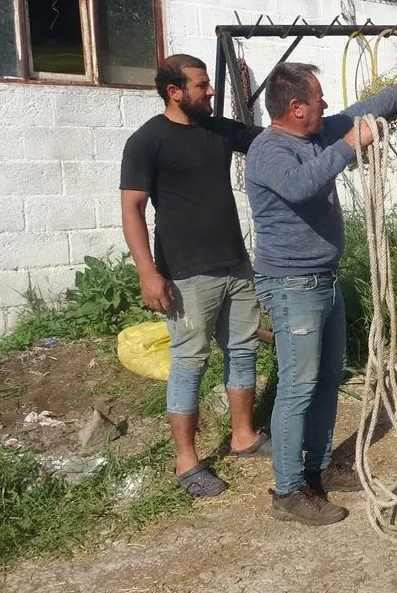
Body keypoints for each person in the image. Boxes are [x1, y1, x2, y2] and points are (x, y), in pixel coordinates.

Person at [244, 61, 397, 527]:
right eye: (318, 98)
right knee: (297, 387)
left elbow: (360, 112)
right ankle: (287, 492)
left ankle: (319, 463)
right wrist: (349, 146)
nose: (326, 105)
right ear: (294, 106)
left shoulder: (318, 132)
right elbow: (301, 186)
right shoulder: (268, 150)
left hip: (322, 278)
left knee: (328, 378)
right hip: (290, 284)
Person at [119, 53, 272, 498]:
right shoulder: (147, 141)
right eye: (202, 85)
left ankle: (242, 436)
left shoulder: (217, 129)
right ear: (174, 91)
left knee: (242, 350)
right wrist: (148, 273)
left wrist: (331, 125)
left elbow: (272, 141)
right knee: (190, 362)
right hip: (185, 273)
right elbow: (132, 209)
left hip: (235, 263)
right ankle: (186, 462)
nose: (210, 91)